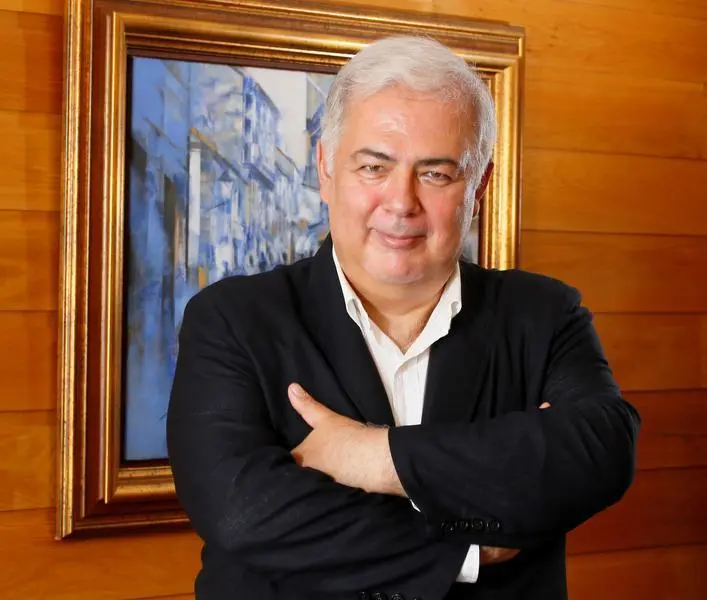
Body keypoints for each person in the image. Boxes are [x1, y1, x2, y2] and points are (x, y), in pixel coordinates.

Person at [167, 35, 640, 600]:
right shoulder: (231, 320)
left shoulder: (543, 313)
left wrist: (375, 456)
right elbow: (244, 512)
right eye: (374, 167)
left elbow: (600, 454)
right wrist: (468, 550)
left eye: (435, 174)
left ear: (479, 187)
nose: (401, 202)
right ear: (325, 168)